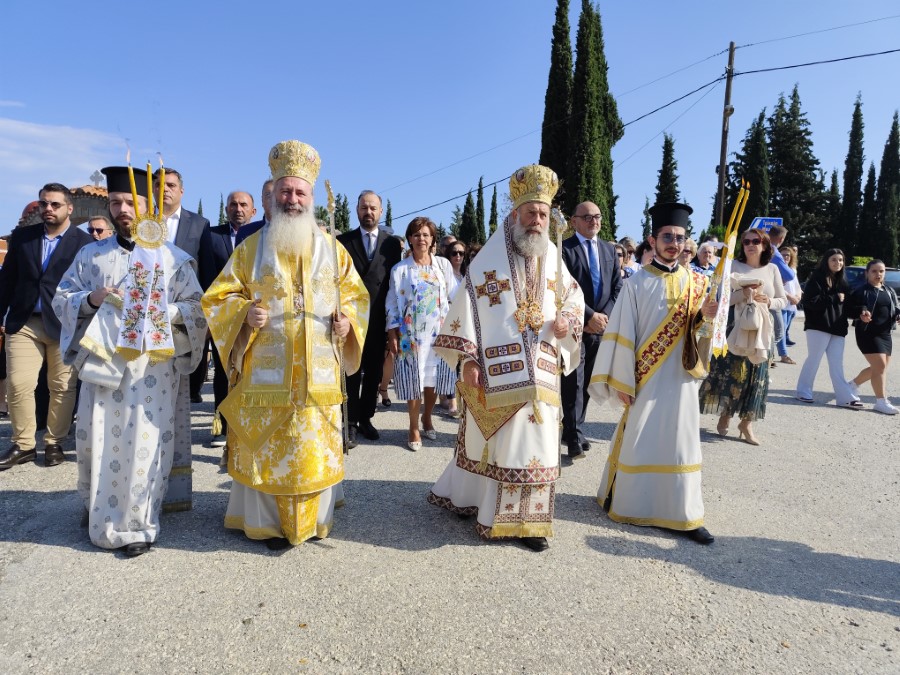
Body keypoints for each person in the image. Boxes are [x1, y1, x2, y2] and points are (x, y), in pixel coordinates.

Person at [202, 139, 369, 549]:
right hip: (266, 377)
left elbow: (356, 297)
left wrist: (347, 323)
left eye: (299, 192)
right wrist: (244, 315)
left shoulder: (334, 250)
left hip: (319, 375)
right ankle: (268, 524)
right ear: (272, 195)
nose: (292, 199)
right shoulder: (249, 249)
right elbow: (218, 297)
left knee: (311, 447)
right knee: (271, 449)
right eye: (284, 191)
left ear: (310, 198)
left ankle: (312, 521)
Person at [428, 164, 584, 552]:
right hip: (499, 372)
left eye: (543, 214)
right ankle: (489, 510)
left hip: (544, 368)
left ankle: (532, 523)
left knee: (542, 443)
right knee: (499, 442)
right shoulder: (488, 261)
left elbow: (572, 298)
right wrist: (469, 361)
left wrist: (568, 320)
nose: (536, 221)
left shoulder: (554, 254)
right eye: (530, 212)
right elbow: (465, 311)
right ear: (515, 215)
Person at [53, 166, 207, 556]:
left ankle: (137, 526)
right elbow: (61, 298)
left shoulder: (173, 259)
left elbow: (197, 309)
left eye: (130, 202)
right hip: (102, 368)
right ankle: (96, 510)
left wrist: (162, 312)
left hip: (151, 371)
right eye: (116, 202)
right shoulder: (91, 255)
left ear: (147, 206)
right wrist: (91, 300)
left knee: (144, 443)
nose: (123, 210)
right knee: (98, 439)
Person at [590, 202, 719, 545]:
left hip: (681, 379)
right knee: (641, 441)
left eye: (679, 237)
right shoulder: (636, 284)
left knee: (682, 444)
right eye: (667, 236)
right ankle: (631, 501)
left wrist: (706, 316)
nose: (674, 242)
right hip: (645, 379)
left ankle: (685, 515)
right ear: (653, 239)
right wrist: (622, 382)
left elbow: (703, 336)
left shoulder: (697, 282)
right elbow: (622, 335)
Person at [0, 183, 93, 471]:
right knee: (19, 384)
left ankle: (54, 442)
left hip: (64, 324)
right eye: (43, 204)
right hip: (24, 321)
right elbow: (7, 279)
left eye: (54, 204)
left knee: (62, 387)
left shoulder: (84, 243)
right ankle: (24, 444)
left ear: (69, 208)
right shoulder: (23, 237)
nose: (48, 209)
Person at [700, 228, 787, 445]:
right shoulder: (734, 266)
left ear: (764, 245)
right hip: (735, 326)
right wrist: (743, 294)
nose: (750, 244)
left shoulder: (773, 269)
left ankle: (746, 424)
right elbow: (721, 299)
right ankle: (726, 415)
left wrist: (768, 301)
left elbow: (783, 300)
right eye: (746, 241)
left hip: (761, 328)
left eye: (755, 241)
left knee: (757, 376)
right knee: (732, 372)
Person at [386, 217, 458, 451]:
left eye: (426, 235)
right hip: (411, 335)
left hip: (438, 333)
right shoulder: (401, 269)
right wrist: (392, 333)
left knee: (433, 379)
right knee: (413, 379)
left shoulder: (443, 266)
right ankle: (413, 426)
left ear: (432, 239)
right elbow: (392, 303)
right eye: (417, 235)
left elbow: (455, 295)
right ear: (409, 238)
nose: (421, 239)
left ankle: (428, 417)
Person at [337, 190, 402, 447]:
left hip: (378, 319)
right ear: (357, 210)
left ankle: (366, 418)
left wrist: (392, 326)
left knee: (374, 371)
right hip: (351, 319)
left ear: (381, 211)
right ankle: (350, 422)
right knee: (351, 370)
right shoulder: (343, 241)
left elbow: (394, 285)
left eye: (373, 208)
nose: (369, 212)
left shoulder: (391, 244)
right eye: (364, 207)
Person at [560, 201, 621, 459]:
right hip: (575, 324)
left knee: (588, 382)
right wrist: (588, 315)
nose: (593, 221)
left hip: (600, 327)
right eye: (586, 217)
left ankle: (575, 428)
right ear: (574, 221)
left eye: (597, 216)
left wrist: (603, 316)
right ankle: (574, 435)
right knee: (573, 380)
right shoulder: (563, 250)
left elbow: (618, 287)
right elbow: (562, 287)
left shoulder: (609, 249)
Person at [198, 191, 257, 452]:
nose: (238, 209)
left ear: (253, 211)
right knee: (223, 372)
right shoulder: (211, 236)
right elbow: (205, 276)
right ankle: (221, 426)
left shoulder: (262, 236)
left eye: (244, 204)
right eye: (233, 204)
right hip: (224, 314)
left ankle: (248, 427)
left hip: (254, 316)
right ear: (226, 209)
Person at [153, 168, 211, 404]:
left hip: (184, 309)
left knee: (184, 374)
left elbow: (206, 270)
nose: (164, 189)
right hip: (150, 309)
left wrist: (206, 312)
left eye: (171, 185)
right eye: (158, 184)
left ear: (181, 190)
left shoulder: (199, 224)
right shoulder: (141, 221)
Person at [794, 248, 861, 409]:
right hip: (818, 327)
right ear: (826, 261)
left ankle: (845, 397)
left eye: (840, 260)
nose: (838, 263)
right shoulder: (817, 278)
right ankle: (803, 391)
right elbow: (810, 302)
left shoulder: (843, 282)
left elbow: (848, 308)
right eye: (834, 260)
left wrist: (861, 313)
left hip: (838, 328)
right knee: (814, 360)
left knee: (837, 364)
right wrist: (833, 298)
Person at [847, 259, 900, 414]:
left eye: (881, 271)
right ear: (867, 273)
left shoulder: (888, 290)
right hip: (867, 333)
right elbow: (849, 310)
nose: (878, 274)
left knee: (878, 368)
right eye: (874, 271)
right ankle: (881, 401)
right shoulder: (861, 291)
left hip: (885, 334)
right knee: (881, 367)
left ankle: (852, 385)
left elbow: (893, 308)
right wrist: (860, 313)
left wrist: (897, 314)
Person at [778, 245, 802, 361]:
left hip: (791, 306)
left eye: (788, 255)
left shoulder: (792, 270)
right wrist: (790, 297)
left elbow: (797, 286)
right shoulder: (776, 268)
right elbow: (777, 286)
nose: (786, 257)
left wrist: (797, 296)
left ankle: (771, 355)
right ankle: (783, 355)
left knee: (784, 329)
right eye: (783, 254)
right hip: (782, 304)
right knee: (780, 331)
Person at [235, 179, 274, 247]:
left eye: (276, 195)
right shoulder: (245, 232)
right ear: (262, 200)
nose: (273, 199)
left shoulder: (295, 231)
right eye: (268, 195)